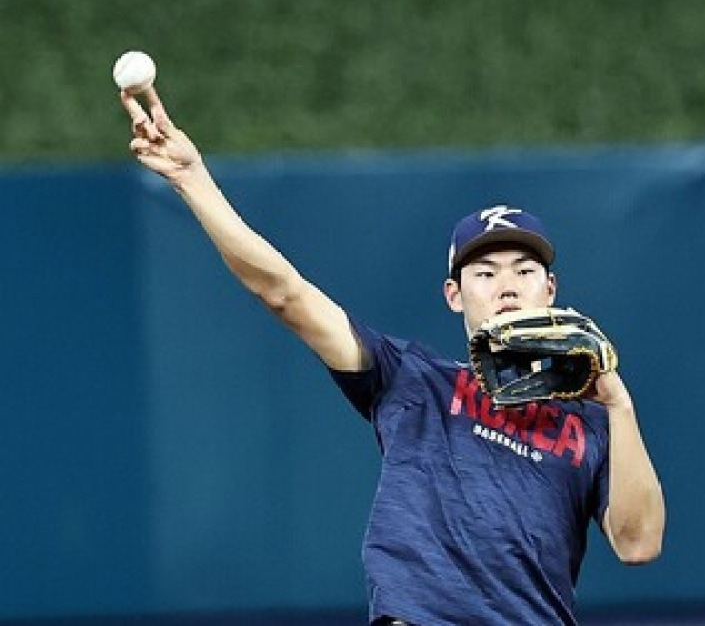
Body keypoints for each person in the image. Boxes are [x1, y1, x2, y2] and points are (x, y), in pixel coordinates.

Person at [119, 86, 666, 626]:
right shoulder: (409, 378)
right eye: (484, 272)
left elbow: (638, 544)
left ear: (549, 289)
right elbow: (283, 292)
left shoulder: (592, 424)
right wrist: (192, 179)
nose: (506, 285)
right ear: (454, 295)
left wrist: (619, 404)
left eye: (524, 271)